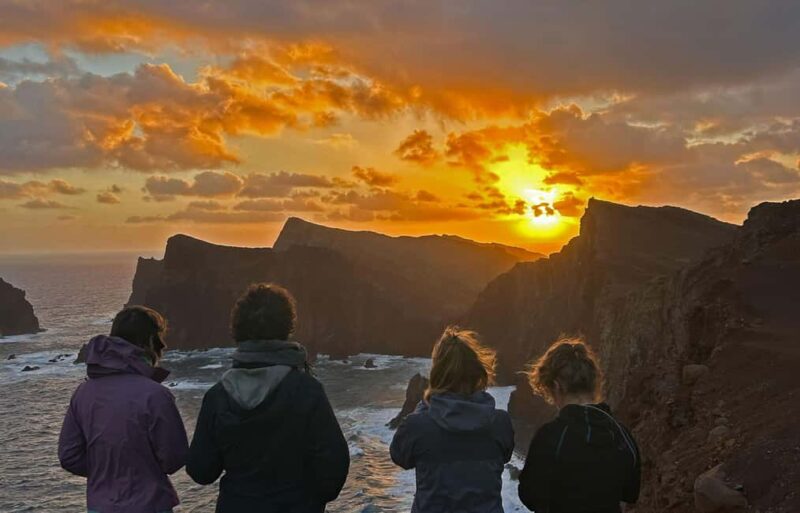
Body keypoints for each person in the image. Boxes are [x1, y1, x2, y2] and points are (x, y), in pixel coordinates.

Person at [186, 283, 349, 513]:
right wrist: (309, 500)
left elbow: (201, 471)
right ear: (287, 327)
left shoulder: (218, 396)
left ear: (237, 329)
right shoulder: (307, 390)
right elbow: (334, 464)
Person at [58, 306, 189, 513]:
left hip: (101, 506)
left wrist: (106, 471)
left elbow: (69, 456)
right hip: (150, 505)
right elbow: (173, 459)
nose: (163, 345)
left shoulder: (83, 393)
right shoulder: (155, 395)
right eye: (159, 337)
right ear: (148, 342)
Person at [390, 326, 514, 513]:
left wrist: (426, 405)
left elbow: (399, 456)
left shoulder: (416, 426)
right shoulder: (500, 423)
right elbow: (505, 455)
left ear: (437, 374)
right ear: (478, 373)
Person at [518, 338, 641, 513]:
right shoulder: (622, 435)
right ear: (593, 382)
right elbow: (630, 493)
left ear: (557, 386)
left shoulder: (550, 436)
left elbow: (529, 495)